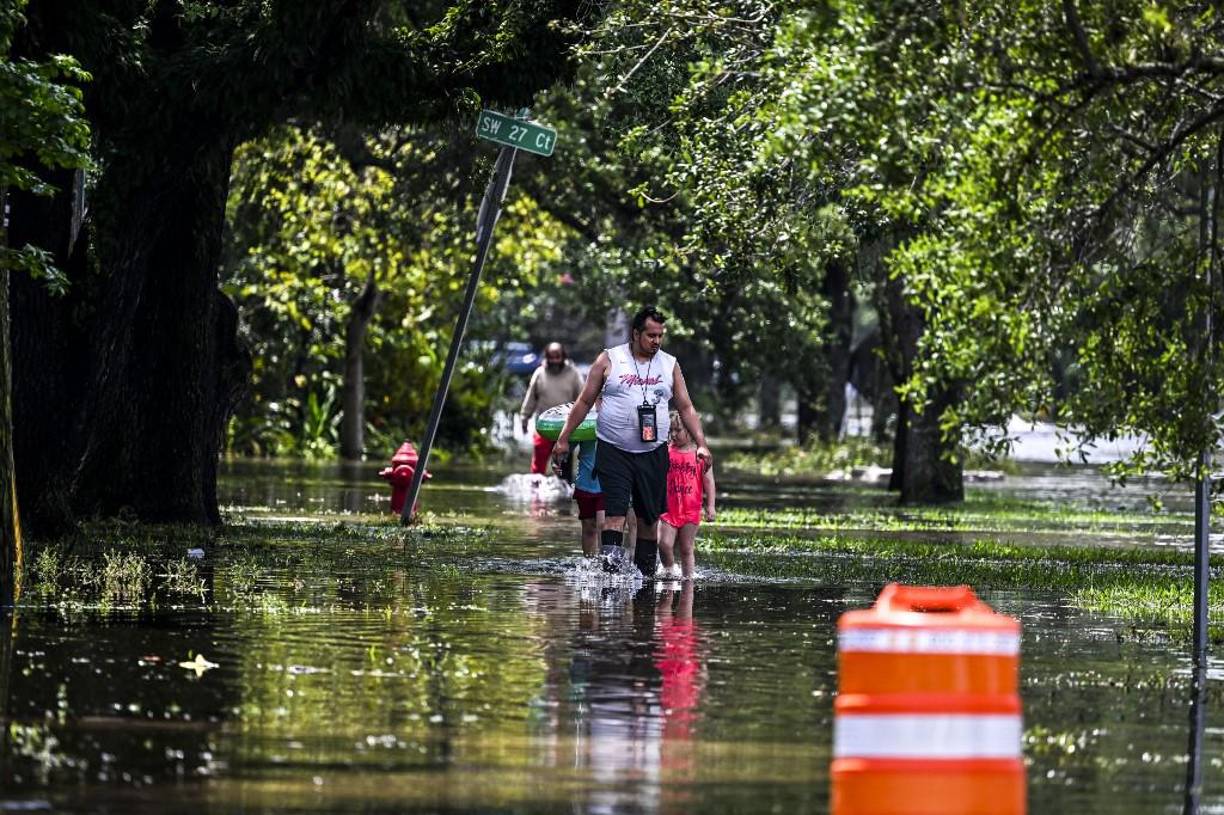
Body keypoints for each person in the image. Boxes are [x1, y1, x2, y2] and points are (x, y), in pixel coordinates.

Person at [552, 306, 712, 576]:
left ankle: (645, 578)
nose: (656, 341)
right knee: (613, 515)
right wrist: (563, 439)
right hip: (613, 450)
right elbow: (584, 401)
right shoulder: (609, 360)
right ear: (636, 333)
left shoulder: (669, 364)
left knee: (649, 520)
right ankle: (612, 577)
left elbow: (685, 407)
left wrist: (702, 443)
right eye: (651, 335)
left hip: (653, 452)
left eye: (660, 335)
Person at [657, 410, 716, 580]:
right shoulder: (666, 452)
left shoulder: (700, 455)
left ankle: (688, 580)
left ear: (690, 430)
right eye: (671, 431)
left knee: (686, 548)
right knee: (664, 544)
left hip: (691, 510)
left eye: (678, 430)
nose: (673, 435)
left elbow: (709, 482)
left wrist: (710, 506)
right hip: (668, 509)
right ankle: (668, 572)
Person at [520, 342, 583, 475]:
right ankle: (535, 492)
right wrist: (524, 417)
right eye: (551, 357)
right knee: (538, 466)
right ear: (547, 357)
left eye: (557, 357)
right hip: (544, 426)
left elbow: (583, 400)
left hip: (566, 428)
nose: (555, 360)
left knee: (563, 469)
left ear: (563, 356)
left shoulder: (573, 373)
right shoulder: (540, 373)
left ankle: (563, 493)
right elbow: (531, 397)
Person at [572, 438, 604, 557]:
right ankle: (589, 564)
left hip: (609, 483)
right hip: (586, 482)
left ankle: (606, 565)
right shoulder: (584, 422)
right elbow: (567, 443)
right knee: (589, 526)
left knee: (603, 525)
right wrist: (557, 459)